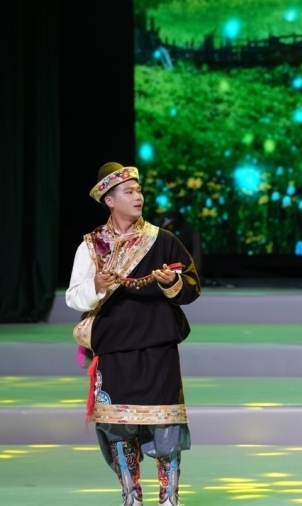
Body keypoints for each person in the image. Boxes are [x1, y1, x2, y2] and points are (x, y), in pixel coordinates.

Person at [66, 162, 201, 506]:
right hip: (114, 347)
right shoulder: (91, 247)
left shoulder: (163, 240)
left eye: (139, 190)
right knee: (118, 427)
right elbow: (74, 297)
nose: (138, 196)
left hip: (158, 345)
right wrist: (97, 285)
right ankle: (131, 495)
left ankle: (169, 498)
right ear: (109, 200)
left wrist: (171, 283)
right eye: (129, 192)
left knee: (166, 424)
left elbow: (191, 286)